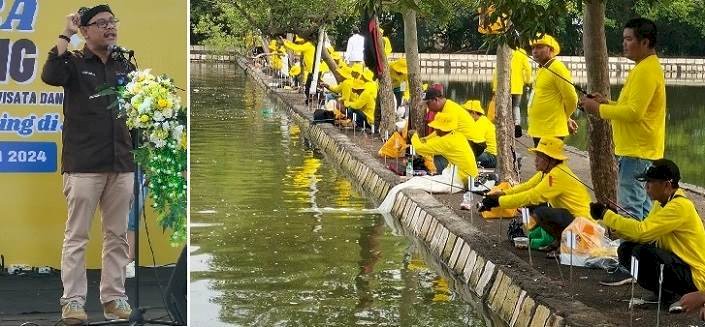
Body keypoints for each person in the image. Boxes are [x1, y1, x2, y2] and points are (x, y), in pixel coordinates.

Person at [41, 5, 134, 324]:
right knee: (77, 235)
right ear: (85, 31)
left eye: (113, 22)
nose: (110, 28)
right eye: (102, 23)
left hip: (122, 162)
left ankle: (113, 298)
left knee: (117, 235)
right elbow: (51, 75)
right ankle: (73, 301)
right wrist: (65, 33)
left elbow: (136, 109)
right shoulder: (75, 63)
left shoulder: (125, 64)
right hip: (83, 163)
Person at [580, 17, 666, 220]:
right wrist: (605, 103)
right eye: (624, 39)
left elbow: (634, 113)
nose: (624, 44)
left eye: (629, 39)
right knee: (644, 211)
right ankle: (644, 248)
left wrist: (598, 110)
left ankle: (632, 250)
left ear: (645, 42)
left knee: (631, 210)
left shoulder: (646, 70)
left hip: (636, 153)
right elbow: (631, 108)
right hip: (640, 151)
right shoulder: (645, 67)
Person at [590, 159, 705, 305]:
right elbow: (645, 233)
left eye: (650, 182)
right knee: (626, 250)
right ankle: (664, 293)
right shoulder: (661, 203)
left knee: (642, 253)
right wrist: (617, 226)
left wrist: (606, 215)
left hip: (695, 277)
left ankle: (674, 294)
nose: (646, 187)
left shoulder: (680, 206)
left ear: (666, 185)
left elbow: (642, 232)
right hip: (678, 263)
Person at [480, 137, 591, 251]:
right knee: (534, 208)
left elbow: (533, 196)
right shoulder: (549, 172)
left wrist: (499, 202)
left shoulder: (557, 175)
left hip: (583, 228)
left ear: (551, 160)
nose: (535, 160)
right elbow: (527, 186)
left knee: (541, 212)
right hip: (575, 223)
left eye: (540, 157)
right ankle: (560, 243)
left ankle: (567, 246)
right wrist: (502, 193)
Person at [527, 34, 578, 146]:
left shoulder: (557, 67)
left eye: (540, 47)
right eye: (533, 48)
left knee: (550, 163)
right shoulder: (542, 68)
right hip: (540, 129)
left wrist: (564, 117)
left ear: (550, 49)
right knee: (542, 163)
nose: (535, 51)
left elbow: (572, 98)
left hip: (551, 130)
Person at [410, 112, 478, 185]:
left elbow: (419, 148)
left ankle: (437, 173)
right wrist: (426, 139)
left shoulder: (446, 141)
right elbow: (436, 135)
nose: (435, 128)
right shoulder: (457, 134)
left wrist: (414, 135)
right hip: (471, 175)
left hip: (462, 179)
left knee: (436, 157)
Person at [423, 84, 476, 171]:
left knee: (437, 154)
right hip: (463, 142)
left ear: (436, 100)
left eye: (428, 103)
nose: (427, 107)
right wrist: (425, 139)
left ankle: (440, 174)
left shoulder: (449, 111)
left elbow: (443, 136)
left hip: (470, 145)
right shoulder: (446, 107)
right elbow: (439, 132)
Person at [491, 48, 532, 137]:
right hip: (517, 87)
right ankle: (517, 125)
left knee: (504, 107)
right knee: (516, 106)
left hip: (504, 87)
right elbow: (528, 69)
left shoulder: (503, 52)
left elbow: (497, 72)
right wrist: (527, 81)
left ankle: (504, 126)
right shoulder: (522, 53)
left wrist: (495, 88)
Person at [462, 100, 497, 168]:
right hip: (487, 154)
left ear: (473, 113)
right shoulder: (480, 120)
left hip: (491, 156)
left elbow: (475, 144)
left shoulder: (481, 123)